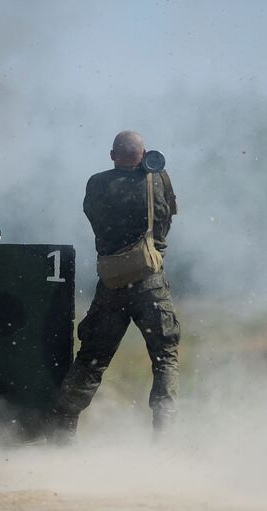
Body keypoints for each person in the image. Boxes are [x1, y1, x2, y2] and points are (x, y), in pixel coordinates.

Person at [49, 130, 181, 443]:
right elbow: (164, 223)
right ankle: (165, 437)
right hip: (150, 282)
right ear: (144, 154)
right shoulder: (157, 180)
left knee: (92, 358)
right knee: (165, 359)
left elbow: (94, 217)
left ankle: (62, 432)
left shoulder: (97, 184)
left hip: (112, 283)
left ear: (112, 156)